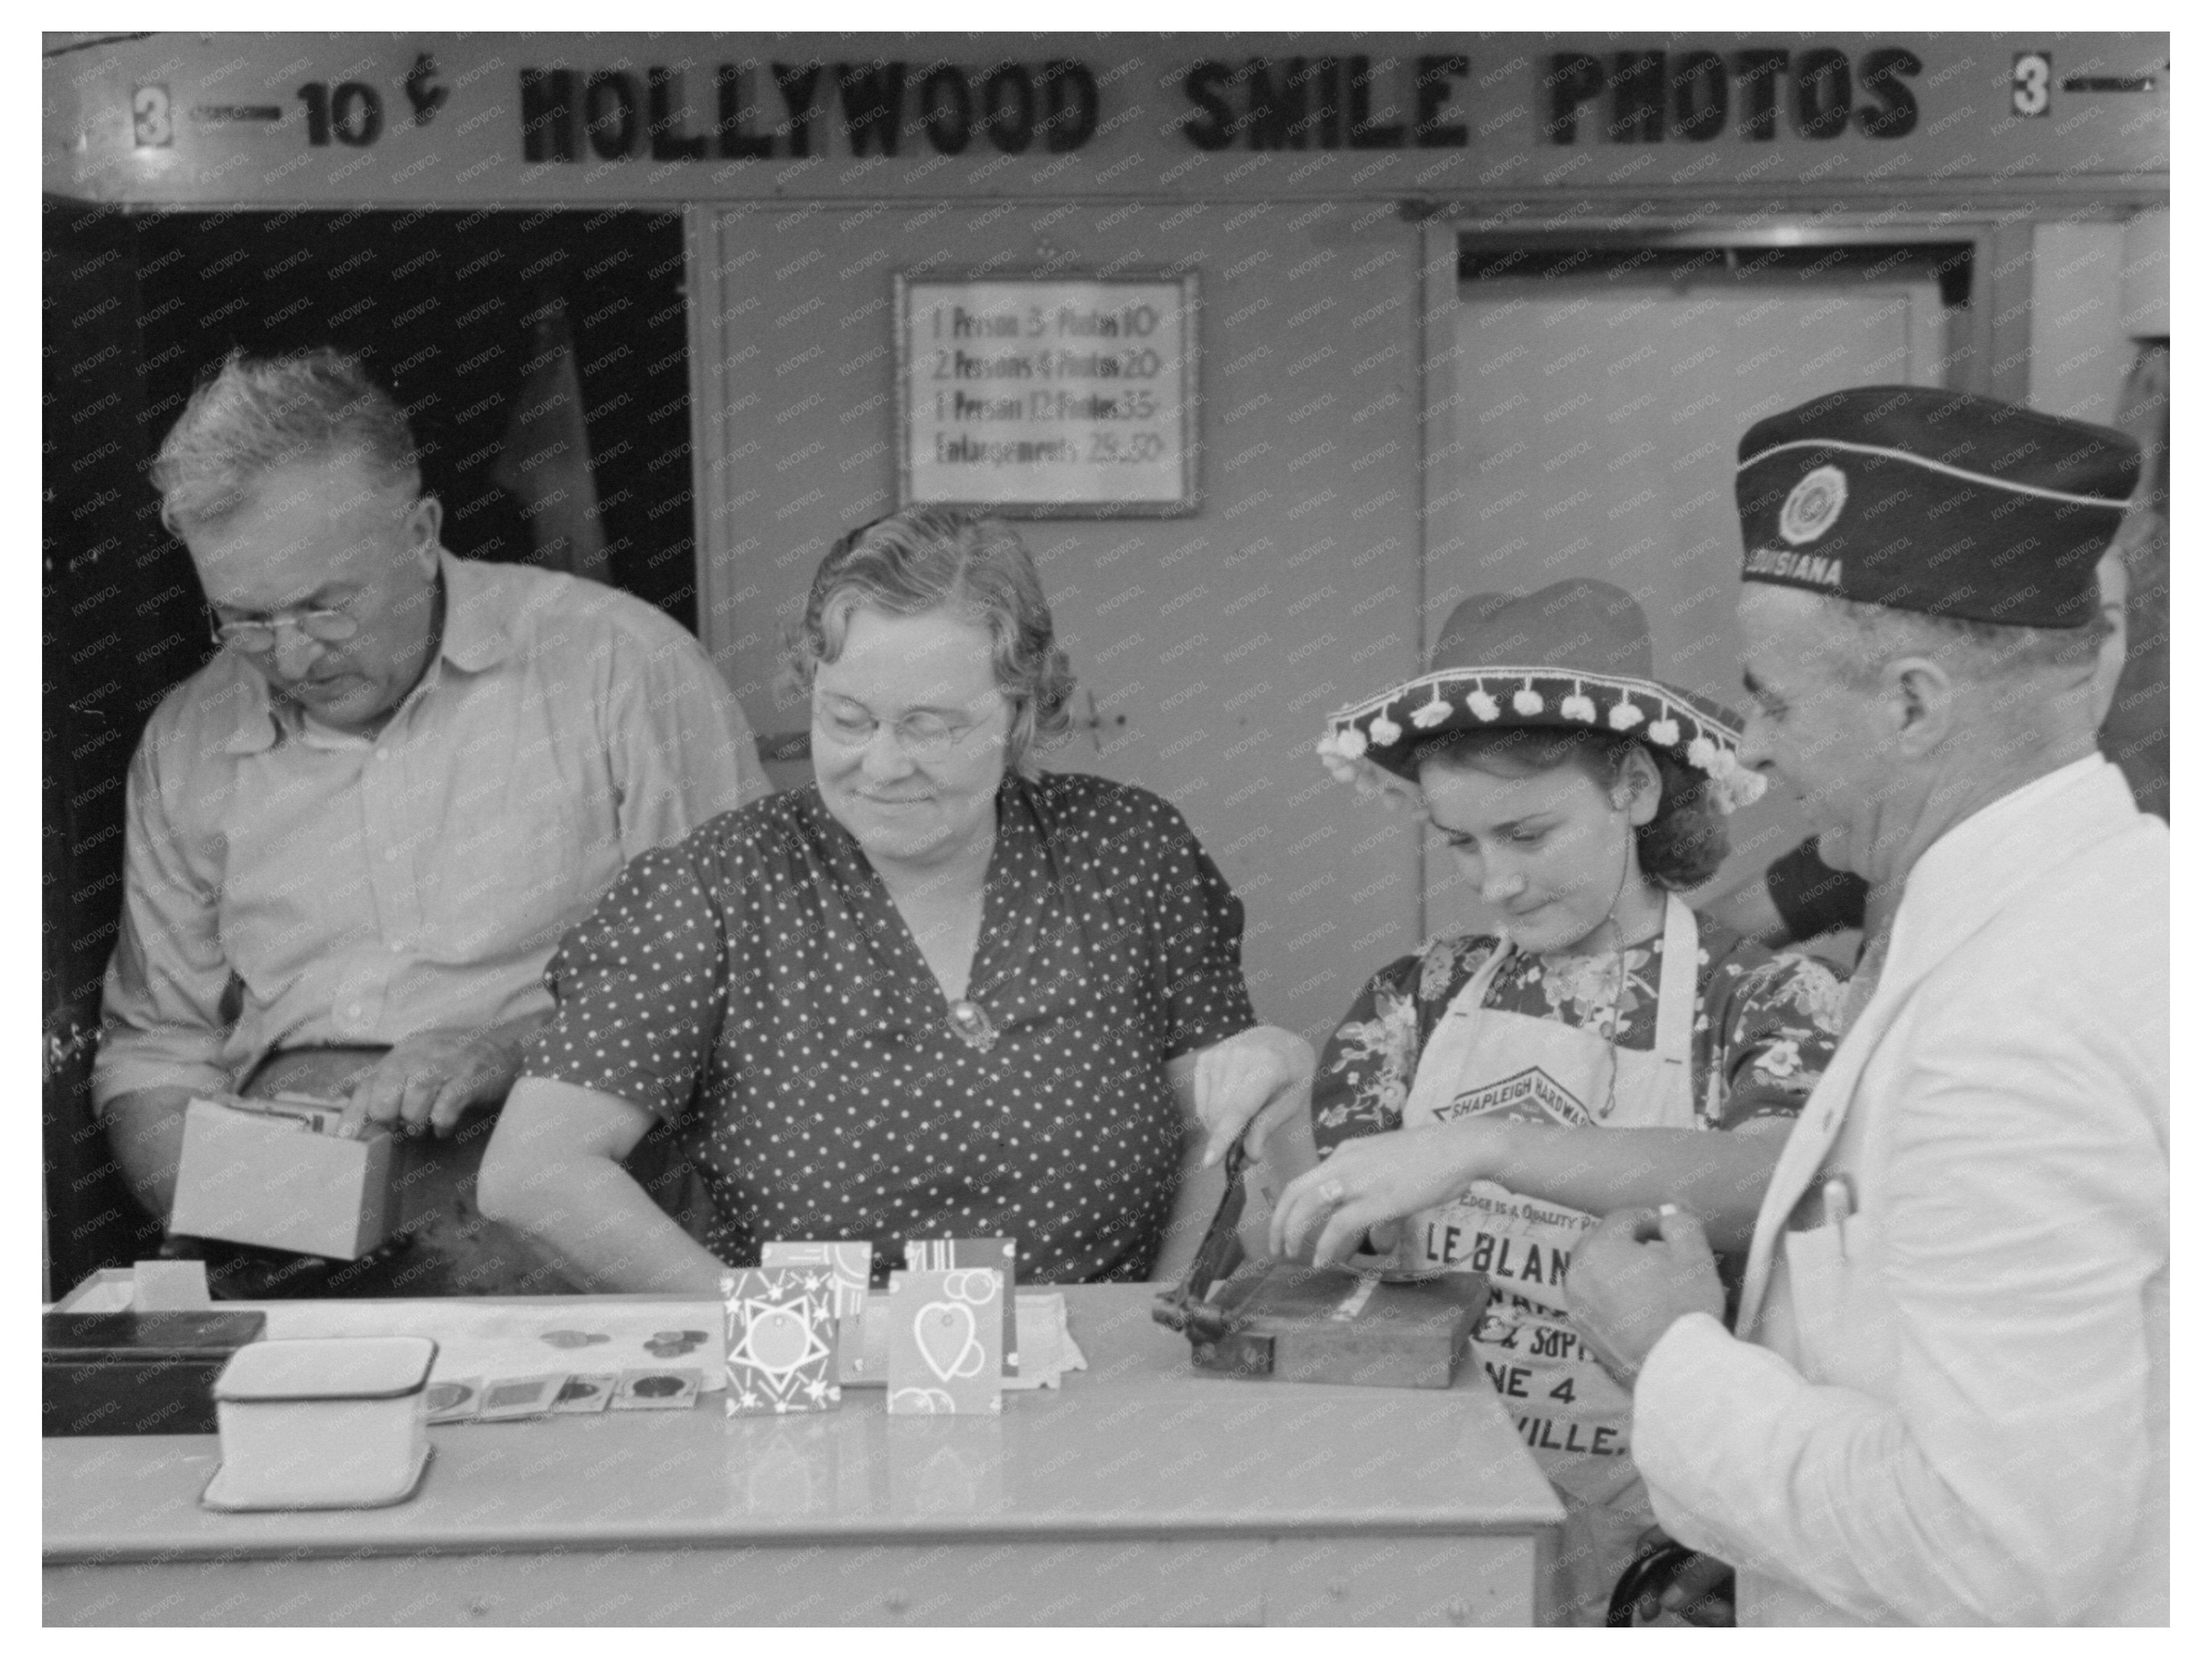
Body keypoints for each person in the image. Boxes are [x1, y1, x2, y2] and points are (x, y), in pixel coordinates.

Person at [1567, 386, 2167, 1626]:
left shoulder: (2012, 1025)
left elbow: (1993, 1549)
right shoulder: (2110, 905)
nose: (1755, 752)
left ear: (1909, 704)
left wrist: (1670, 1353)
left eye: (1772, 702)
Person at [1205, 578, 1844, 1626]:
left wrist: (1486, 1145)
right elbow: (1321, 1256)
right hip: (1434, 1527)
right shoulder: (1412, 998)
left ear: (1633, 787)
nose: (1491, 882)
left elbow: (1764, 1181)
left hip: (1670, 1558)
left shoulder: (1759, 999)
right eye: (1460, 844)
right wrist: (1275, 1111)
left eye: (1526, 834)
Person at [478, 507, 1309, 1290]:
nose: (880, 767)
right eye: (846, 719)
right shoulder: (717, 892)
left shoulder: (1126, 856)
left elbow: (1217, 1129)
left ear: (1020, 712)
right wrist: (756, 1327)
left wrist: (1153, 1329)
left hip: (1095, 1385)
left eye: (931, 727)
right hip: (820, 1397)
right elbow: (534, 1174)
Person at [93, 347, 766, 1296]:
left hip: (572, 1179)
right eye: (243, 618)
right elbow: (157, 1047)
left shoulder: (621, 669)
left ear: (419, 532)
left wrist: (506, 1053)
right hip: (287, 1213)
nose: (291, 653)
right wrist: (222, 1206)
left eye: (325, 604)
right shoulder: (188, 738)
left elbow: (747, 973)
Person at [1705, 546, 2139, 952]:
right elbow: (1700, 940)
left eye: (2101, 629)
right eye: (2054, 634)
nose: (2075, 659)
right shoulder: (1915, 816)